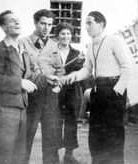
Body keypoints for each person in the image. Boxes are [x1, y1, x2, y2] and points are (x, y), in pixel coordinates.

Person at [0, 10, 56, 164]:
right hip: (4, 111)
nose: (17, 23)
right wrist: (19, 83)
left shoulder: (22, 52)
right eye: (11, 21)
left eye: (18, 20)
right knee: (0, 155)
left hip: (22, 110)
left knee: (18, 156)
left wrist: (47, 79)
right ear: (3, 27)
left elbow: (30, 77)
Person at [63, 11, 132, 164]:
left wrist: (117, 91)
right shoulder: (91, 45)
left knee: (113, 137)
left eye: (89, 23)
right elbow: (87, 69)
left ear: (101, 24)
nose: (86, 27)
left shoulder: (114, 40)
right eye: (85, 23)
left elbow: (127, 67)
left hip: (114, 90)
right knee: (96, 137)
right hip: (99, 90)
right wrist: (72, 76)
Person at [20, 9, 62, 164]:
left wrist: (59, 82)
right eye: (43, 23)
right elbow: (21, 70)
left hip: (50, 95)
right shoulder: (23, 43)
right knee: (26, 134)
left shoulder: (53, 45)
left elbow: (60, 69)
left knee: (51, 136)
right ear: (35, 23)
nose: (46, 27)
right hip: (30, 94)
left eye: (50, 24)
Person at [53, 22, 84, 164]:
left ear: (71, 36)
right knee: (55, 121)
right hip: (55, 91)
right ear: (57, 36)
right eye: (62, 34)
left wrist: (80, 64)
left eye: (68, 34)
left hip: (72, 92)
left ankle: (69, 154)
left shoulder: (78, 54)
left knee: (71, 122)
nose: (66, 36)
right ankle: (54, 152)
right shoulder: (51, 52)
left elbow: (82, 73)